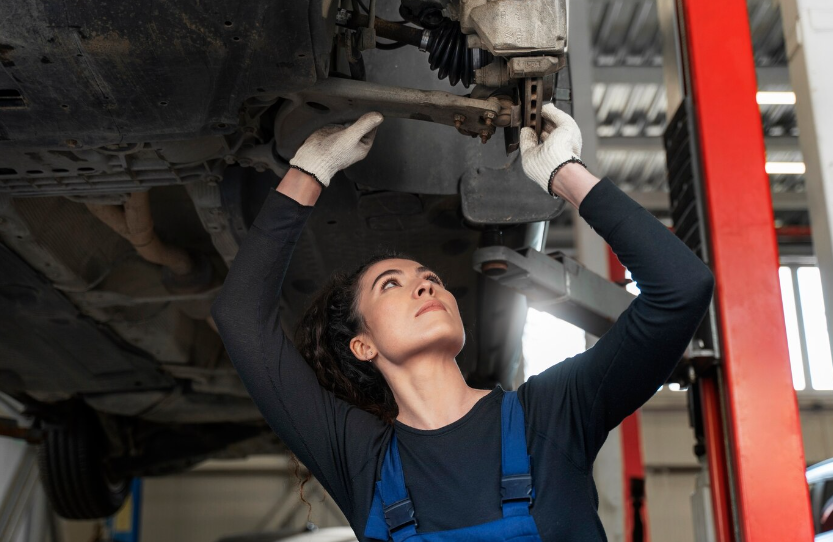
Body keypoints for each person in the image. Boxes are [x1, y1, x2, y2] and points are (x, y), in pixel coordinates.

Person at [211, 105, 715, 541]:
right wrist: (308, 170)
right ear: (362, 345)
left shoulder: (553, 414)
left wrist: (565, 174)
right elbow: (240, 318)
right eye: (391, 283)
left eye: (430, 277)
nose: (426, 285)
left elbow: (681, 288)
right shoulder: (361, 461)